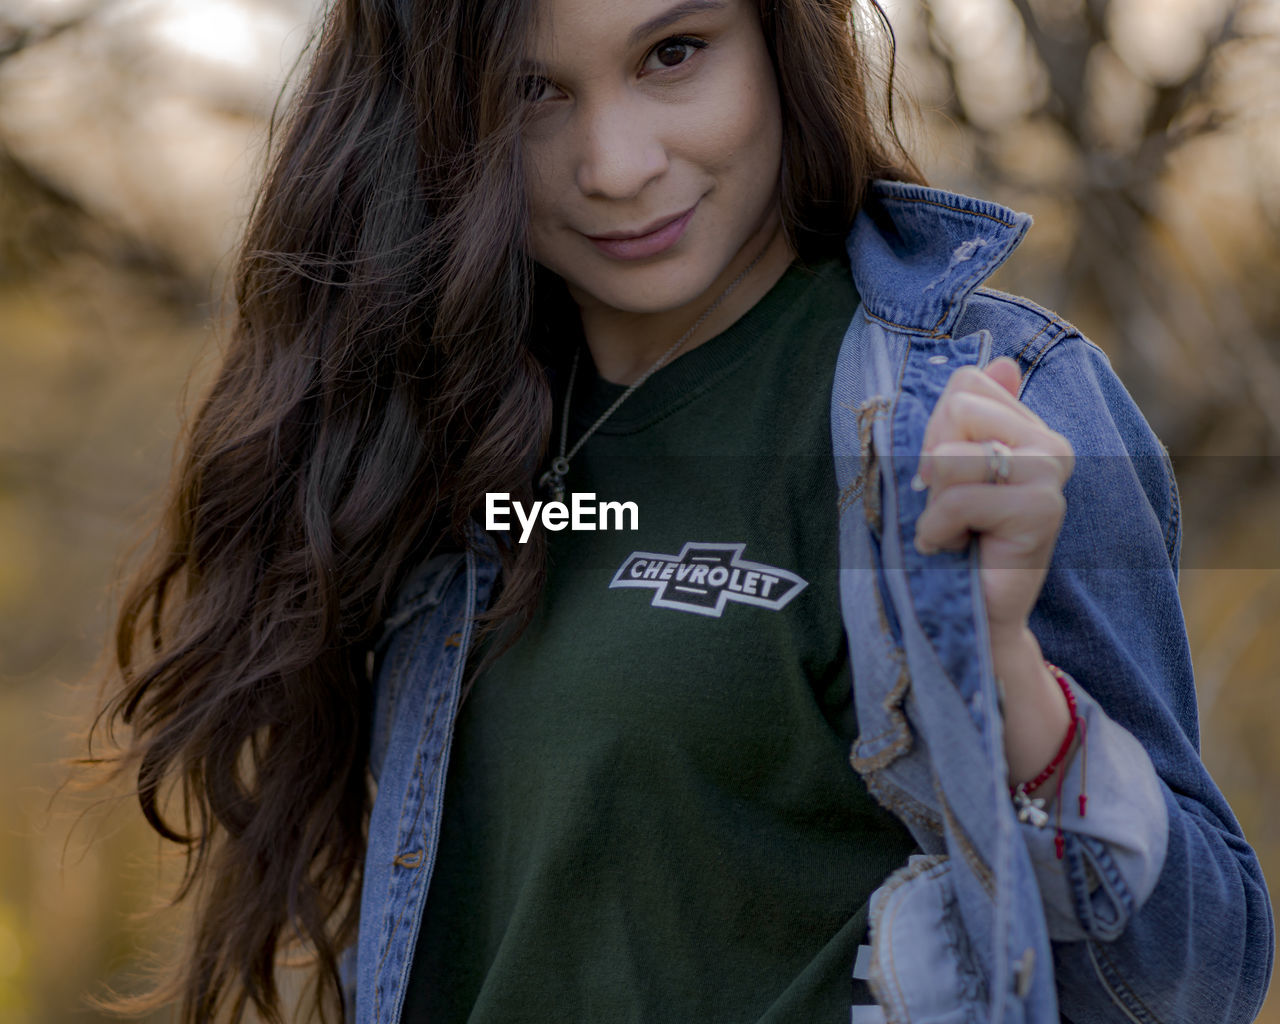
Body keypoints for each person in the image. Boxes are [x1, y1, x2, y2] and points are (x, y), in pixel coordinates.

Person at [80, 0, 1273, 1021]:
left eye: (673, 54)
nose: (615, 165)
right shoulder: (448, 426)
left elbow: (1193, 979)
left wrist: (1009, 679)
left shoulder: (981, 407)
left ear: (778, 40)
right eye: (530, 89)